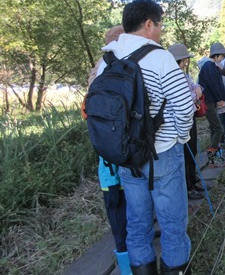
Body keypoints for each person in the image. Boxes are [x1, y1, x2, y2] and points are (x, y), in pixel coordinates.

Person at [96, 0, 194, 274]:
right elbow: (184, 106)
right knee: (173, 225)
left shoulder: (109, 59)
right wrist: (180, 136)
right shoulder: (160, 57)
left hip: (127, 156)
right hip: (162, 151)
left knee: (137, 225)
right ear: (149, 24)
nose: (160, 31)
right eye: (159, 25)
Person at [85, 25, 131, 275]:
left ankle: (126, 265)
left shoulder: (99, 72)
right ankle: (129, 263)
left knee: (116, 210)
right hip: (128, 159)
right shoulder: (126, 68)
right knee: (128, 209)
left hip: (108, 161)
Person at [167, 43, 205, 201]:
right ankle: (187, 187)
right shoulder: (171, 77)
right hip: (179, 122)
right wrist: (195, 94)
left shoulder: (183, 75)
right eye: (185, 60)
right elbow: (183, 98)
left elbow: (195, 85)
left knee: (192, 150)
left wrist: (196, 89)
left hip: (189, 118)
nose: (186, 63)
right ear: (180, 60)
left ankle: (193, 180)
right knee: (184, 153)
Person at [198, 42, 225, 165]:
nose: (222, 58)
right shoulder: (208, 66)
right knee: (218, 128)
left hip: (212, 102)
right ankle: (212, 156)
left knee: (214, 128)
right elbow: (214, 85)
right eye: (221, 55)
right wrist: (219, 99)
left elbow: (219, 84)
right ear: (215, 55)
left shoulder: (213, 67)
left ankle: (215, 157)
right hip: (208, 102)